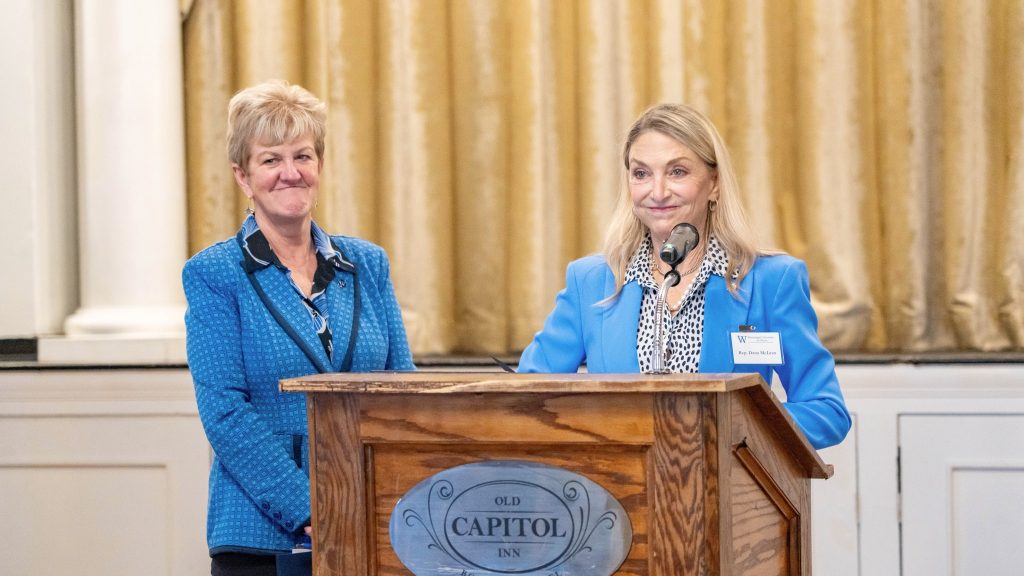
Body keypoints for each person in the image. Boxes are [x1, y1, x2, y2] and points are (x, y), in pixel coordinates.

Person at [517, 103, 850, 450]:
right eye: (641, 173)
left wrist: (727, 428)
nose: (657, 192)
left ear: (715, 183)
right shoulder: (591, 281)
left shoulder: (770, 281)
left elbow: (826, 412)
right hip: (616, 494)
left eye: (677, 172)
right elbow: (527, 398)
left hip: (723, 491)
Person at [183, 80, 415, 575]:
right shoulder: (214, 274)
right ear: (243, 177)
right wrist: (313, 508)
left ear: (320, 166)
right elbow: (224, 412)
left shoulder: (368, 264)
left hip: (372, 527)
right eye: (271, 160)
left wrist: (383, 503)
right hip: (263, 538)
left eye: (302, 156)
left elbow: (403, 390)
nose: (290, 173)